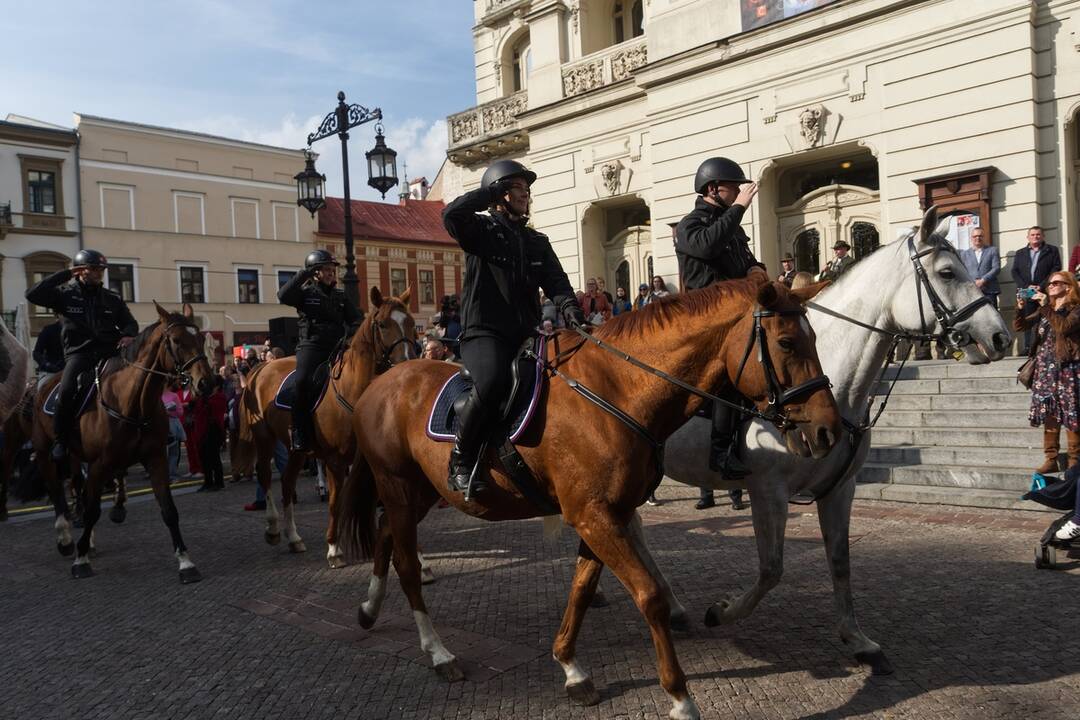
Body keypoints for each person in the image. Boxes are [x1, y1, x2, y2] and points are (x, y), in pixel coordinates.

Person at [442, 159, 583, 496]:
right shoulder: (480, 231)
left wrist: (573, 313)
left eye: (526, 188)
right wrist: (486, 193)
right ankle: (460, 461)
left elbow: (558, 283)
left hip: (526, 333)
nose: (526, 193)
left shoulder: (537, 241)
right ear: (501, 193)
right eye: (518, 187)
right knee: (492, 382)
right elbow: (450, 216)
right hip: (485, 332)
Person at [674, 156, 766, 511]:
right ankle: (721, 452)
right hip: (705, 317)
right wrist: (739, 207)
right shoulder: (690, 225)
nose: (739, 191)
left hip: (737, 312)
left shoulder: (733, 227)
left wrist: (757, 269)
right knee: (730, 373)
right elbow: (706, 247)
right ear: (713, 189)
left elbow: (744, 259)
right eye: (733, 186)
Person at [25, 249, 138, 460]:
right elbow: (32, 294)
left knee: (136, 381)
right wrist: (66, 273)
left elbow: (130, 323)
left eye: (101, 269)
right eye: (94, 269)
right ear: (81, 271)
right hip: (80, 354)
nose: (99, 273)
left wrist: (129, 335)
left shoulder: (111, 298)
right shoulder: (64, 295)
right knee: (67, 389)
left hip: (110, 353)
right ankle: (61, 439)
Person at [277, 249, 363, 451]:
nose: (331, 273)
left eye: (332, 269)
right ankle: (299, 429)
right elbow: (282, 295)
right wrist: (304, 273)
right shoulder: (304, 294)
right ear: (315, 272)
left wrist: (349, 331)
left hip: (337, 347)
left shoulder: (341, 296)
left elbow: (357, 320)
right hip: (312, 347)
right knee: (302, 381)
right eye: (326, 269)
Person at [1015, 271, 1080, 474]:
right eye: (1050, 283)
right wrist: (1020, 309)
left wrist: (1044, 306)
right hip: (1045, 369)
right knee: (1049, 413)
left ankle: (1074, 461)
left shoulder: (1075, 309)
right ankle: (1051, 458)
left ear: (1068, 287)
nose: (1050, 286)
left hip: (1067, 369)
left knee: (1071, 415)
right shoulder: (1048, 308)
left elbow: (1063, 327)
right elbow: (1021, 326)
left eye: (1056, 283)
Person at [1012, 226, 1062, 353]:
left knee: (1045, 318)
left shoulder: (1052, 250)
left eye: (1038, 234)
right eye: (1033, 235)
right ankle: (1028, 347)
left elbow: (1056, 268)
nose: (1035, 237)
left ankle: (1044, 345)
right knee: (1028, 319)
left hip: (1045, 291)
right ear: (1028, 237)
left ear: (1043, 236)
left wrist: (1042, 285)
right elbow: (1015, 271)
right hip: (1026, 291)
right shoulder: (1020, 253)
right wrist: (1026, 286)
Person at [194, 377, 228, 492]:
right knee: (204, 458)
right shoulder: (206, 397)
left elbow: (213, 409)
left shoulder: (220, 397)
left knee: (214, 458)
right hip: (203, 430)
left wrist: (204, 398)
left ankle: (219, 482)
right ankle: (208, 482)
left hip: (214, 430)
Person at [959, 226, 1001, 308]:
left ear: (984, 237)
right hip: (972, 291)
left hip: (989, 290)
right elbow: (963, 271)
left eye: (980, 236)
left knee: (992, 317)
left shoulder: (992, 250)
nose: (977, 238)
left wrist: (983, 280)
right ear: (971, 238)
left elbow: (996, 268)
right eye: (975, 236)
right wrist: (973, 282)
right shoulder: (964, 254)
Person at [162, 381, 186, 481]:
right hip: (160, 425)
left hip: (171, 423)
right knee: (165, 453)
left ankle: (172, 474)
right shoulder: (154, 395)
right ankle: (166, 475)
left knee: (173, 452)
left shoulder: (173, 396)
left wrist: (170, 412)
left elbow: (180, 412)